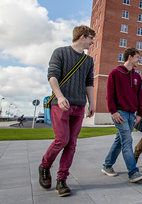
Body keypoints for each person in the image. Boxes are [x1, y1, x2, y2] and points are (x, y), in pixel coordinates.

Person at [38, 25, 95, 197]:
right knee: (61, 140)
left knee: (72, 143)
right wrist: (60, 96)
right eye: (91, 38)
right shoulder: (60, 52)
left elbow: (89, 82)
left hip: (78, 105)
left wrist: (91, 102)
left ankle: (61, 180)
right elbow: (52, 75)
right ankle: (44, 166)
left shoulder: (88, 61)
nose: (92, 42)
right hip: (60, 104)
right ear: (83, 37)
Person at [102, 47, 142, 183]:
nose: (139, 60)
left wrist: (140, 114)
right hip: (119, 113)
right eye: (138, 57)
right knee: (127, 141)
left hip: (132, 115)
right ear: (130, 57)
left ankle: (107, 165)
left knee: (119, 141)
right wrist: (113, 111)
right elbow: (109, 94)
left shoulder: (137, 77)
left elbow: (139, 97)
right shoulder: (115, 73)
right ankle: (133, 172)